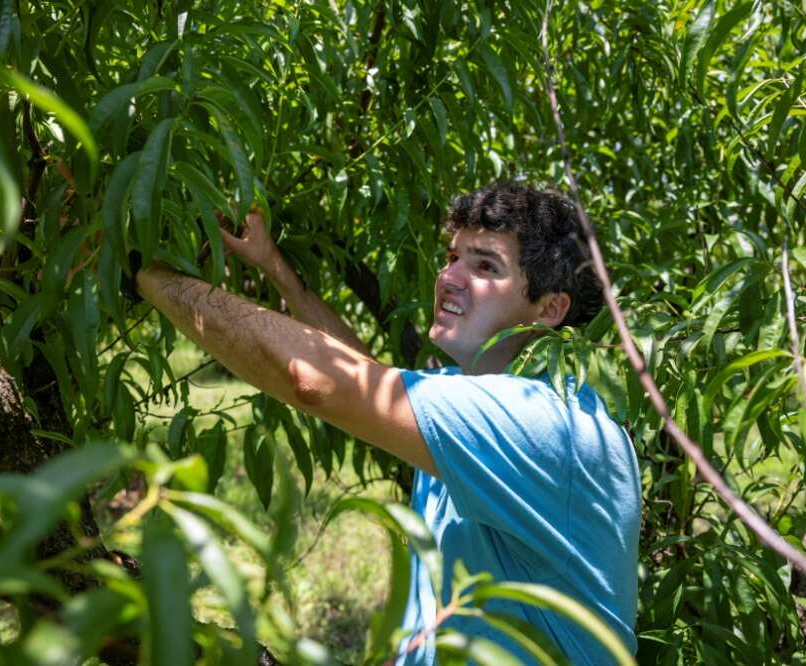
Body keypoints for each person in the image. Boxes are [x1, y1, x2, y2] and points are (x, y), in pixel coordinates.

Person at [134, 183, 640, 665]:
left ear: (549, 308)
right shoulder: (476, 394)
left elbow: (317, 380)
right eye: (452, 257)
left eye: (485, 266)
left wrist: (145, 274)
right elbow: (368, 379)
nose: (449, 277)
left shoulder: (540, 418)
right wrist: (275, 269)